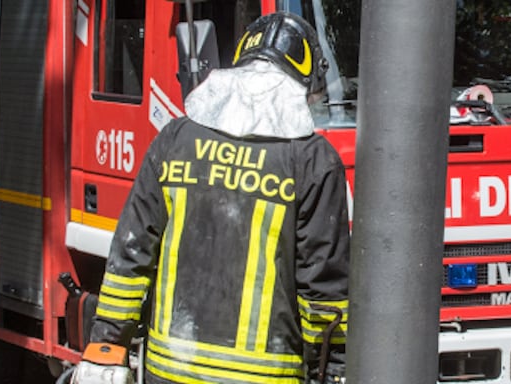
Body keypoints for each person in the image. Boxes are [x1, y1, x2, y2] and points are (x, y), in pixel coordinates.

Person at [79, 11, 350, 384]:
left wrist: (105, 346)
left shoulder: (175, 139)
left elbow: (131, 253)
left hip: (169, 372)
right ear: (305, 79)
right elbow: (323, 289)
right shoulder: (313, 160)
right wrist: (334, 371)